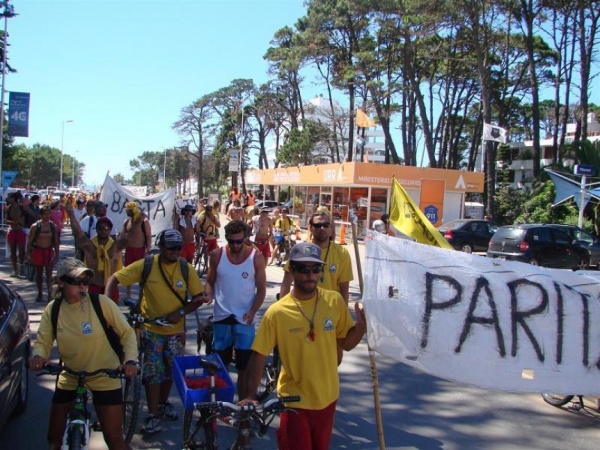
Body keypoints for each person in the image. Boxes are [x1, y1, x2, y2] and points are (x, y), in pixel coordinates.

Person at [241, 243, 366, 450]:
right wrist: (251, 395)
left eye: (315, 269)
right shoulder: (277, 312)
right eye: (303, 269)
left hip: (328, 399)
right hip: (294, 403)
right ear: (292, 269)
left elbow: (347, 344)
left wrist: (361, 328)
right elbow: (259, 356)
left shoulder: (334, 301)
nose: (310, 275)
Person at [105, 229, 209, 434]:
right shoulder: (147, 264)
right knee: (153, 372)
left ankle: (163, 403)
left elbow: (199, 298)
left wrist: (180, 312)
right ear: (161, 247)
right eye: (170, 248)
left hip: (176, 331)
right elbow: (114, 279)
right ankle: (152, 414)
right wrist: (108, 308)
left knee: (170, 370)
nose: (175, 252)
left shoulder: (186, 269)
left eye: (178, 248)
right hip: (150, 329)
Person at [29, 258, 139, 450]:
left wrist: (130, 360)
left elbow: (127, 333)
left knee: (114, 439)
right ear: (61, 283)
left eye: (86, 282)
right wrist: (38, 357)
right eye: (76, 282)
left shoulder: (100, 303)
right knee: (53, 437)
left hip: (105, 374)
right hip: (70, 374)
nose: (83, 287)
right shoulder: (53, 309)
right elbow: (44, 341)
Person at [280, 211, 354, 363]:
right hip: (303, 312)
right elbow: (287, 281)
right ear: (310, 228)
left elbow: (344, 290)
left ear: (331, 228)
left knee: (334, 360)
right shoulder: (300, 251)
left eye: (326, 225)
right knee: (302, 360)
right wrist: (283, 308)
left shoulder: (341, 253)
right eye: (317, 225)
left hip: (330, 313)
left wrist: (343, 317)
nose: (322, 228)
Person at [204, 220, 266, 399]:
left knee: (244, 368)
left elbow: (261, 289)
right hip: (222, 317)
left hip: (244, 320)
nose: (235, 245)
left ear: (246, 238)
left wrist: (253, 310)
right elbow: (210, 281)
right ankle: (221, 406)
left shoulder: (256, 257)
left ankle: (243, 410)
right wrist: (208, 294)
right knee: (219, 368)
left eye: (239, 241)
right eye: (231, 241)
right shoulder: (216, 255)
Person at [67, 205, 131, 303]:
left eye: (106, 228)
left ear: (110, 230)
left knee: (111, 317)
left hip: (111, 287)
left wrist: (135, 218)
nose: (103, 230)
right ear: (96, 229)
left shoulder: (115, 247)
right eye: (100, 228)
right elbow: (78, 232)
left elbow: (129, 235)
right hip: (93, 287)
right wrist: (71, 215)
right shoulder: (89, 246)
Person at [27, 205, 60, 303]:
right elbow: (30, 241)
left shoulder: (53, 226)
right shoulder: (35, 226)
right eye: (45, 214)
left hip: (49, 251)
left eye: (49, 213)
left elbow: (56, 241)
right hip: (38, 251)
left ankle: (50, 294)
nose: (47, 216)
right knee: (39, 273)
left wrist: (57, 254)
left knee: (49, 274)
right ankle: (40, 293)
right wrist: (28, 254)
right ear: (40, 215)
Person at [121, 201, 152, 299]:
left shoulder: (144, 221)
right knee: (128, 272)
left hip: (140, 250)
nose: (126, 211)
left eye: (128, 209)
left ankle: (142, 294)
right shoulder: (127, 221)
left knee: (141, 273)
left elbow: (148, 236)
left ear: (133, 210)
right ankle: (128, 292)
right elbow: (122, 236)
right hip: (129, 250)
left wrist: (148, 250)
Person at [4, 192, 27, 277]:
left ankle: (21, 268)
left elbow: (24, 221)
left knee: (22, 252)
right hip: (12, 231)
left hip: (21, 231)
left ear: (14, 198)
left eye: (10, 198)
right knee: (12, 251)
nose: (8, 199)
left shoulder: (22, 207)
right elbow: (6, 220)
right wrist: (13, 222)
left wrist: (19, 222)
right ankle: (15, 269)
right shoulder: (8, 208)